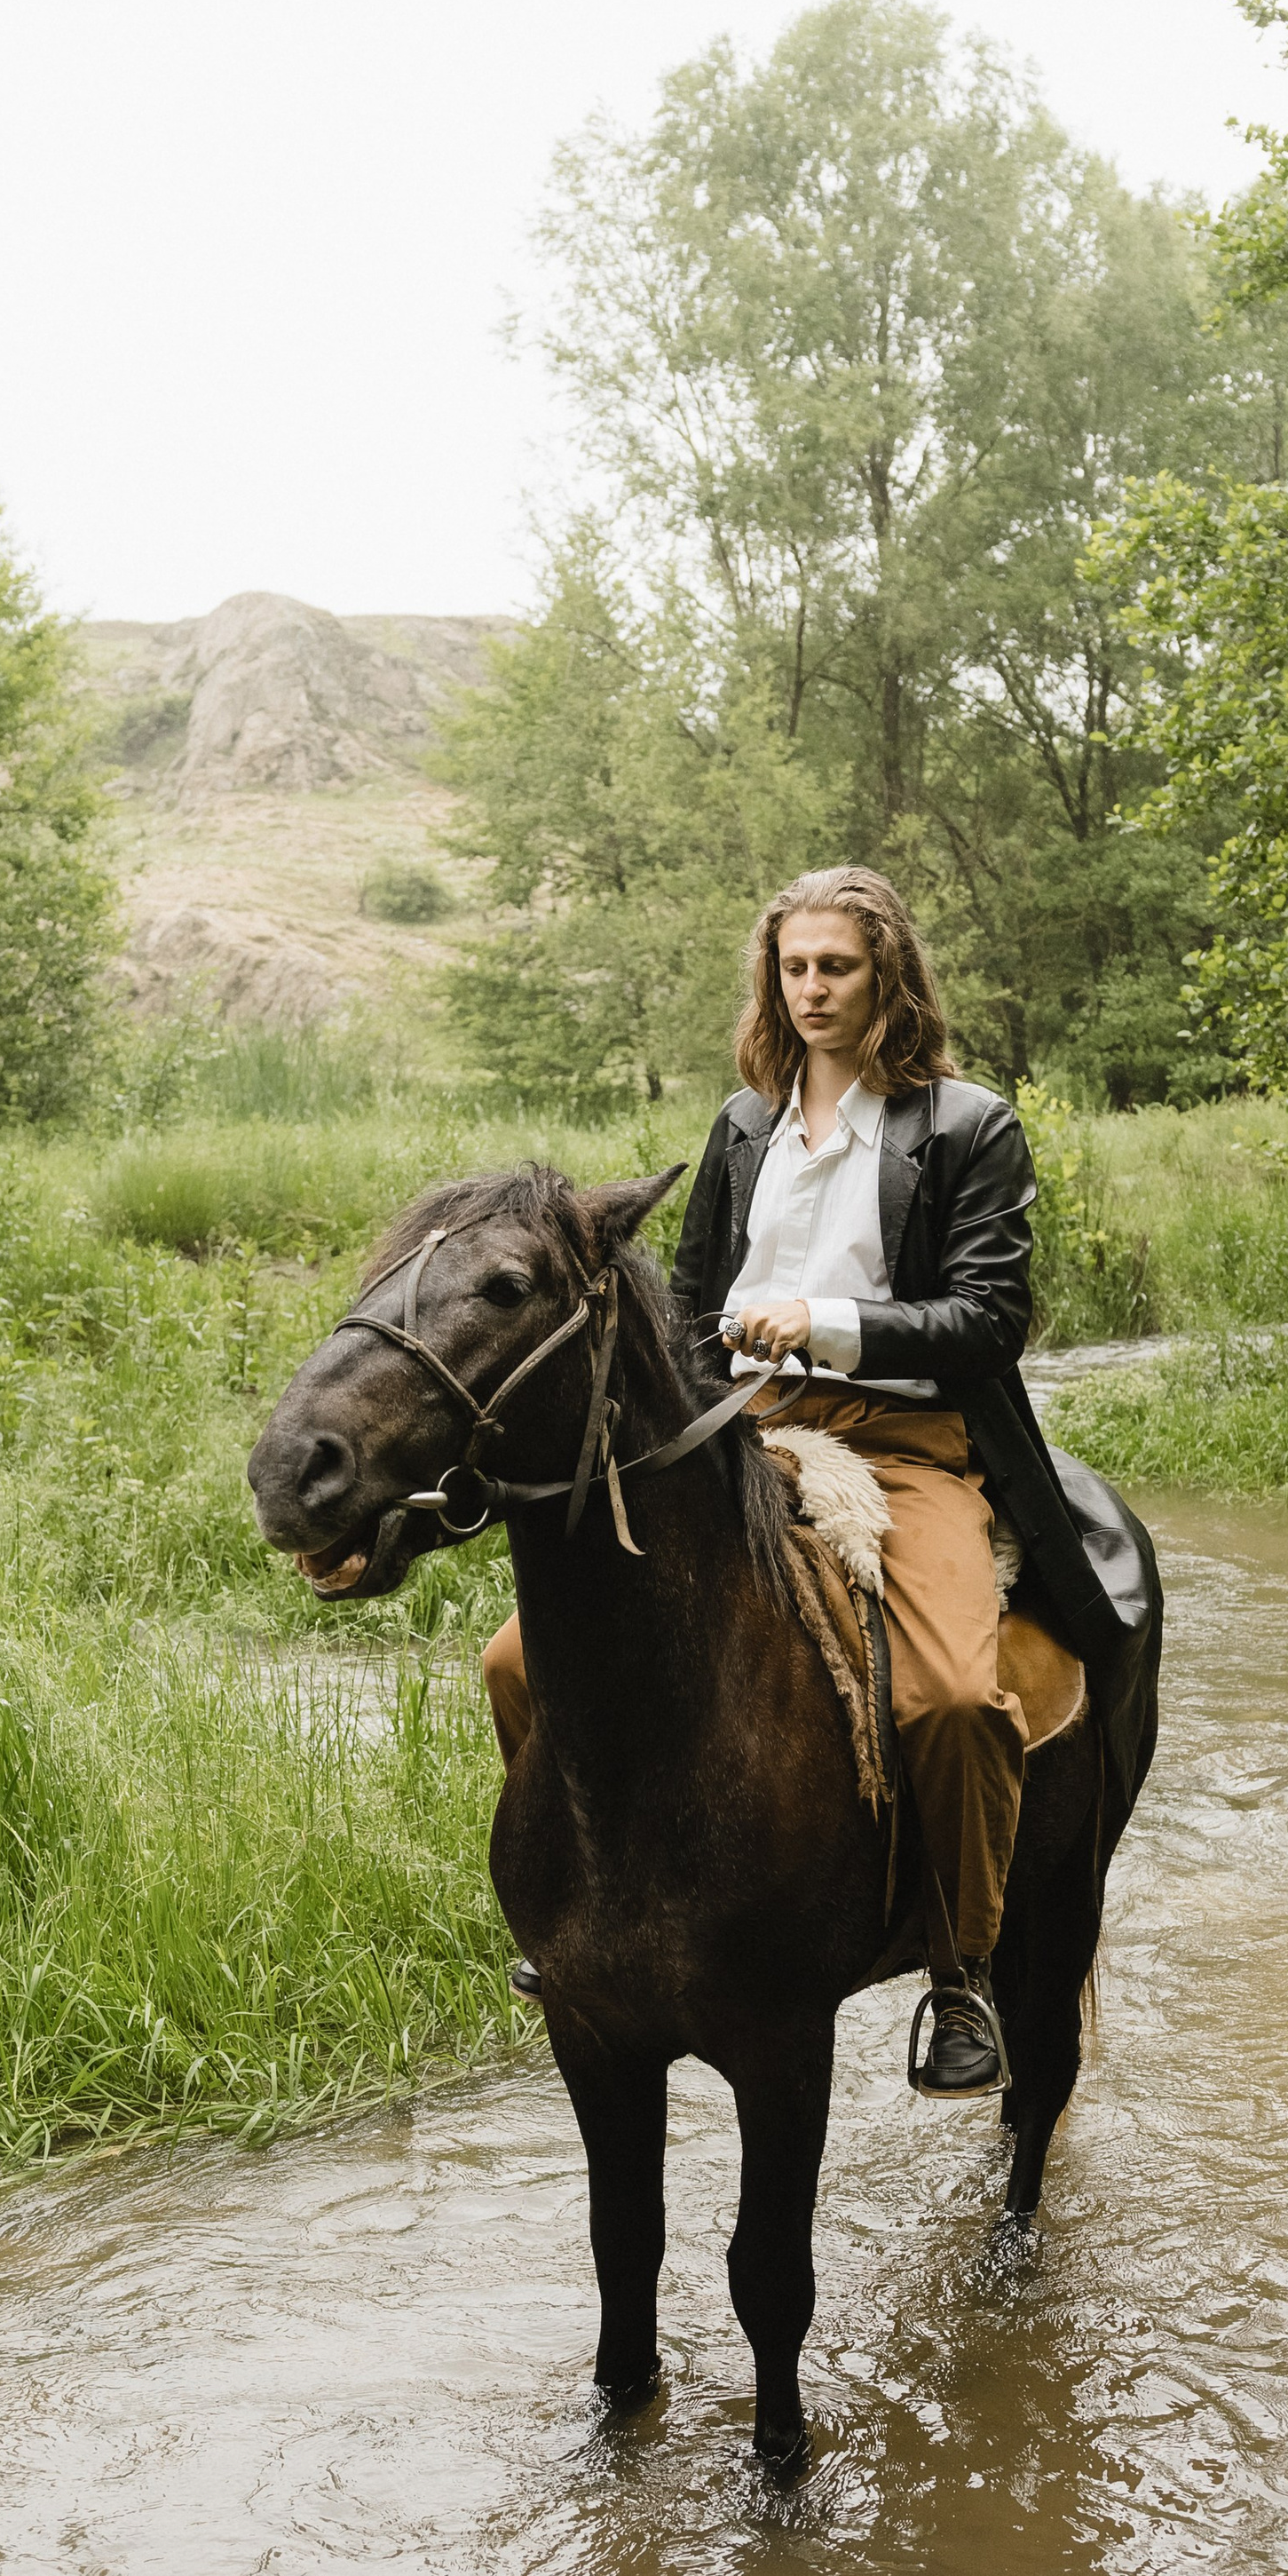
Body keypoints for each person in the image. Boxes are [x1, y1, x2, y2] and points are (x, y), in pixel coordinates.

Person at [486, 863, 1043, 2096]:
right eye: (793, 967)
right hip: (739, 1435)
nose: (811, 990)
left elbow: (991, 1319)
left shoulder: (966, 1125)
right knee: (513, 1661)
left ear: (886, 972)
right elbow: (684, 1312)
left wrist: (827, 1322)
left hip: (904, 1444)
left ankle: (963, 1972)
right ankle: (585, 1906)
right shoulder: (744, 1125)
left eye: (836, 966)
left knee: (952, 1696)